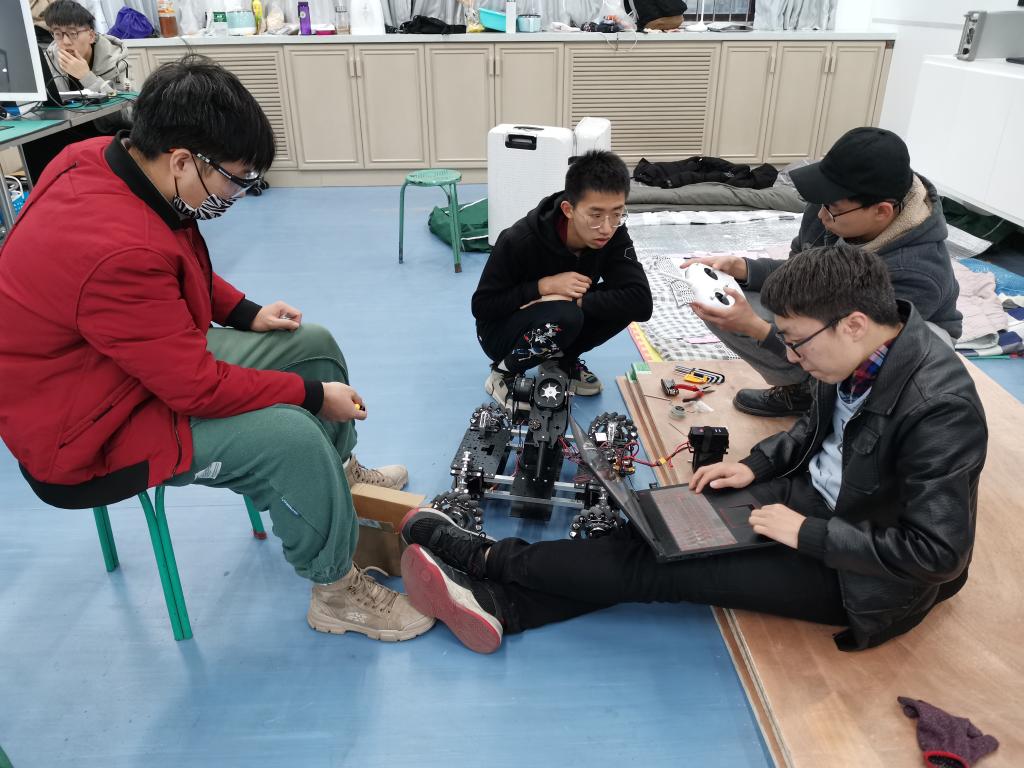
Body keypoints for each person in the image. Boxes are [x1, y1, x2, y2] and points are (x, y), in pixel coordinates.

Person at [0, 56, 432, 642]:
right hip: (81, 430)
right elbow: (195, 385)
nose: (241, 192)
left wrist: (244, 311)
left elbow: (173, 261)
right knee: (290, 436)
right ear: (183, 160)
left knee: (311, 345)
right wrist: (311, 397)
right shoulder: (116, 250)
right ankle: (335, 591)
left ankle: (341, 481)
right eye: (236, 178)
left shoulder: (106, 159)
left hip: (122, 364)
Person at [400, 244, 987, 654]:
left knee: (664, 569)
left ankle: (485, 560)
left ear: (854, 324)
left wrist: (807, 534)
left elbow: (939, 555)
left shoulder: (940, 407)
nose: (788, 357)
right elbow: (818, 431)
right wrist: (754, 466)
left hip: (859, 576)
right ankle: (505, 606)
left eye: (796, 341)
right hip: (808, 504)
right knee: (656, 526)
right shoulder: (854, 356)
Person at [684, 127, 962, 417]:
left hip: (884, 345)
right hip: (832, 315)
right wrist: (744, 268)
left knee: (892, 369)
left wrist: (756, 328)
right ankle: (803, 390)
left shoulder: (915, 272)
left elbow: (855, 345)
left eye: (832, 207)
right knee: (720, 301)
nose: (820, 214)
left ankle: (830, 400)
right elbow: (798, 274)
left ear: (881, 212)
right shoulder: (833, 207)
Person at [471, 150, 653, 407]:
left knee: (620, 303)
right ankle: (503, 373)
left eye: (617, 213)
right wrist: (543, 287)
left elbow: (642, 303)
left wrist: (572, 300)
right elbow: (482, 307)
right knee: (567, 316)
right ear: (569, 209)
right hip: (501, 332)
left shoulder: (613, 235)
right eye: (596, 215)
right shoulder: (520, 240)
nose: (606, 228)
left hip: (556, 318)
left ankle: (558, 361)